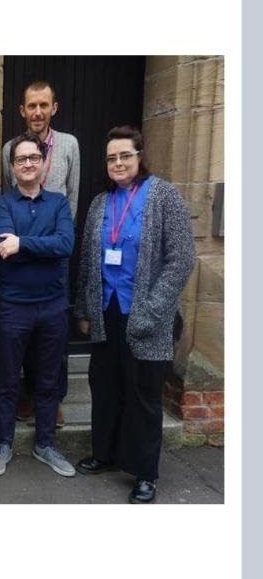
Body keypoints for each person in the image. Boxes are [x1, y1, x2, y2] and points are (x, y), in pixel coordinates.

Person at [73, 125, 195, 503]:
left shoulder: (163, 196)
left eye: (125, 155)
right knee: (105, 387)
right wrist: (83, 307)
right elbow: (87, 261)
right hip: (106, 312)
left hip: (147, 317)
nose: (118, 163)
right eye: (111, 157)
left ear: (140, 157)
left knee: (143, 395)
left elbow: (181, 260)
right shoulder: (98, 203)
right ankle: (105, 454)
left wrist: (154, 309)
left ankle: (145, 473)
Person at [0, 132, 76, 480]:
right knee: (9, 379)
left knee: (48, 379)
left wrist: (23, 243)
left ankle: (45, 444)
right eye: (21, 159)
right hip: (14, 307)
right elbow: (4, 249)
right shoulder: (3, 205)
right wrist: (41, 246)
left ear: (43, 164)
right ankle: (3, 443)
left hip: (52, 307)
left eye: (33, 158)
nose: (27, 164)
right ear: (12, 167)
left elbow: (65, 244)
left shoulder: (58, 203)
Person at [1, 80, 80, 428]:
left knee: (53, 336)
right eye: (31, 106)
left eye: (43, 105)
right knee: (22, 332)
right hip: (21, 253)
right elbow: (11, 195)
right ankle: (29, 395)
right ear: (22, 110)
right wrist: (25, 239)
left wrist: (51, 238)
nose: (37, 112)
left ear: (54, 108)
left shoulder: (69, 145)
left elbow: (71, 198)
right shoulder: (11, 148)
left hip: (55, 255)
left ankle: (54, 398)